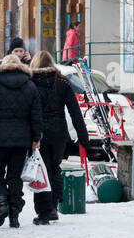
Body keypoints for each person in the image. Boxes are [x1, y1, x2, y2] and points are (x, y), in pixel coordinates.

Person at [0, 54, 43, 228]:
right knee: (14, 176)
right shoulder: (30, 85)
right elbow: (36, 115)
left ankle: (2, 202)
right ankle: (14, 215)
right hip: (22, 140)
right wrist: (36, 137)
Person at [29, 51, 89, 225]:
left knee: (42, 171)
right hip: (59, 133)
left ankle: (43, 211)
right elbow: (75, 112)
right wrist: (83, 138)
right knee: (54, 168)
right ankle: (53, 206)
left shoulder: (31, 84)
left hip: (38, 133)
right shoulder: (62, 83)